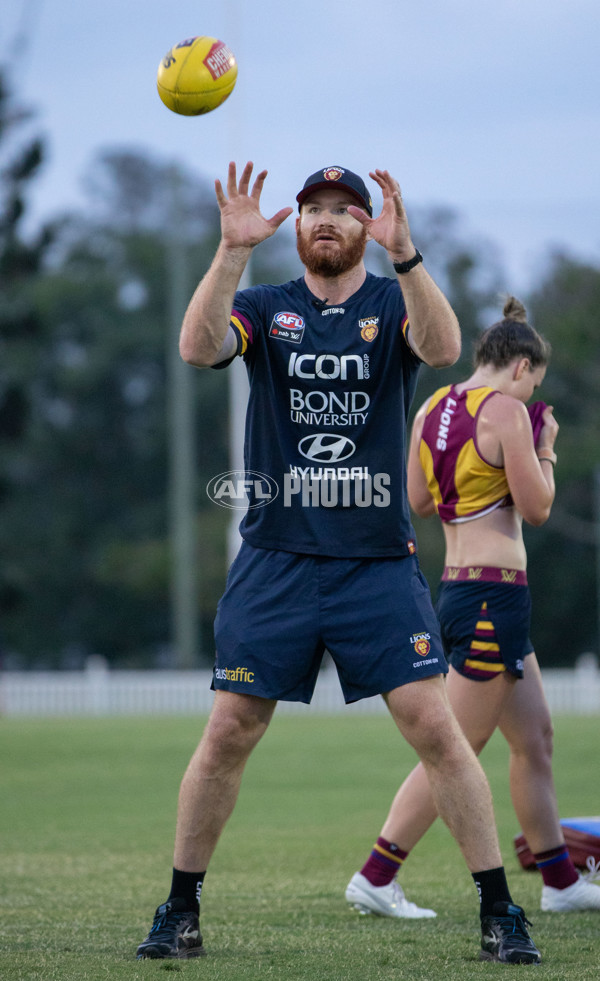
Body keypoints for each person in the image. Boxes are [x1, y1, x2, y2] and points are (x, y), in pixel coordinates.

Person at [135, 163, 541, 964]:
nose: (326, 220)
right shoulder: (265, 306)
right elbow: (195, 347)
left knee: (436, 727)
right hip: (276, 560)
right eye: (314, 209)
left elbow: (446, 345)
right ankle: (179, 908)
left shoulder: (392, 301)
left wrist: (409, 256)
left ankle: (499, 909)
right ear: (296, 227)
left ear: (367, 226)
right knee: (228, 731)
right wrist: (228, 253)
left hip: (375, 565)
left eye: (344, 210)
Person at [346, 297, 600, 922]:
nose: (533, 392)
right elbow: (537, 509)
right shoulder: (511, 413)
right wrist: (545, 446)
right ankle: (377, 874)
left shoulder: (433, 406)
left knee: (534, 739)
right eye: (535, 382)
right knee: (455, 748)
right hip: (494, 595)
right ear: (520, 367)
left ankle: (561, 881)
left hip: (467, 590)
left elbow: (418, 501)